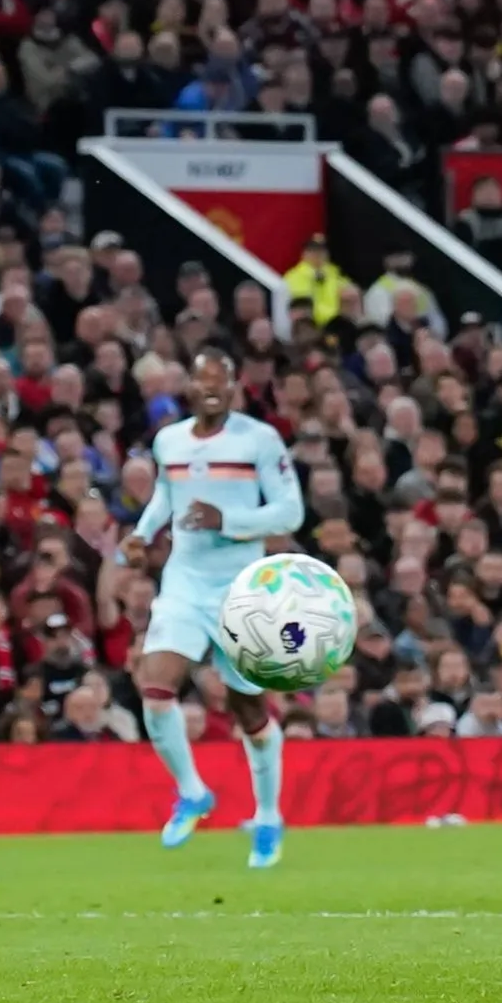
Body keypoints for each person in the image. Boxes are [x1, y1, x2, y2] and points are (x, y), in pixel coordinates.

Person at [122, 349, 306, 868]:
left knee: (249, 711)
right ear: (189, 388)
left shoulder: (258, 440)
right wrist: (142, 533)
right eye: (202, 382)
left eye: (220, 382)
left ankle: (267, 817)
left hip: (240, 587)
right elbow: (166, 494)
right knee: (155, 689)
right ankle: (193, 792)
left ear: (233, 389)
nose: (211, 390)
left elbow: (291, 511)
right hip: (184, 582)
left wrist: (229, 521)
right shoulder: (170, 440)